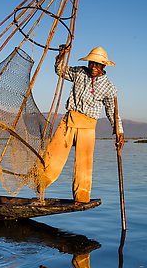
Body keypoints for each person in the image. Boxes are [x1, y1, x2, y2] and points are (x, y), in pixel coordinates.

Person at [40, 45, 125, 203]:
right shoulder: (79, 72)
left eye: (97, 64)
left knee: (83, 165)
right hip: (69, 120)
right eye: (91, 63)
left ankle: (81, 197)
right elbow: (60, 71)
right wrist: (61, 56)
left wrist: (119, 132)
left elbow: (112, 112)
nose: (93, 67)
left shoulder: (109, 88)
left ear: (103, 66)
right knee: (53, 155)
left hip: (87, 126)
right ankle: (40, 183)